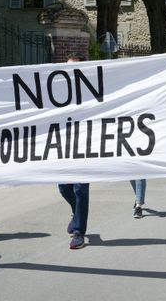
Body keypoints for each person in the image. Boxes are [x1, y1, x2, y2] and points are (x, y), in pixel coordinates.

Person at [58, 54, 89, 249]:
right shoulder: (58, 91)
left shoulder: (89, 91)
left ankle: (79, 232)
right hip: (63, 147)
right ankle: (75, 212)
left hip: (86, 146)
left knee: (80, 189)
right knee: (63, 187)